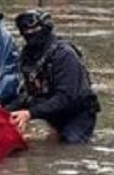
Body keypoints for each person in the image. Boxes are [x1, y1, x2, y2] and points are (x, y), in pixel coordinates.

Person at [6, 9, 100, 144]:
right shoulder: (28, 54)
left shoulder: (64, 55)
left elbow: (66, 97)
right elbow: (27, 93)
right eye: (25, 31)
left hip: (77, 113)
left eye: (34, 29)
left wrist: (30, 114)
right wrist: (4, 111)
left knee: (68, 148)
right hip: (50, 110)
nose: (29, 34)